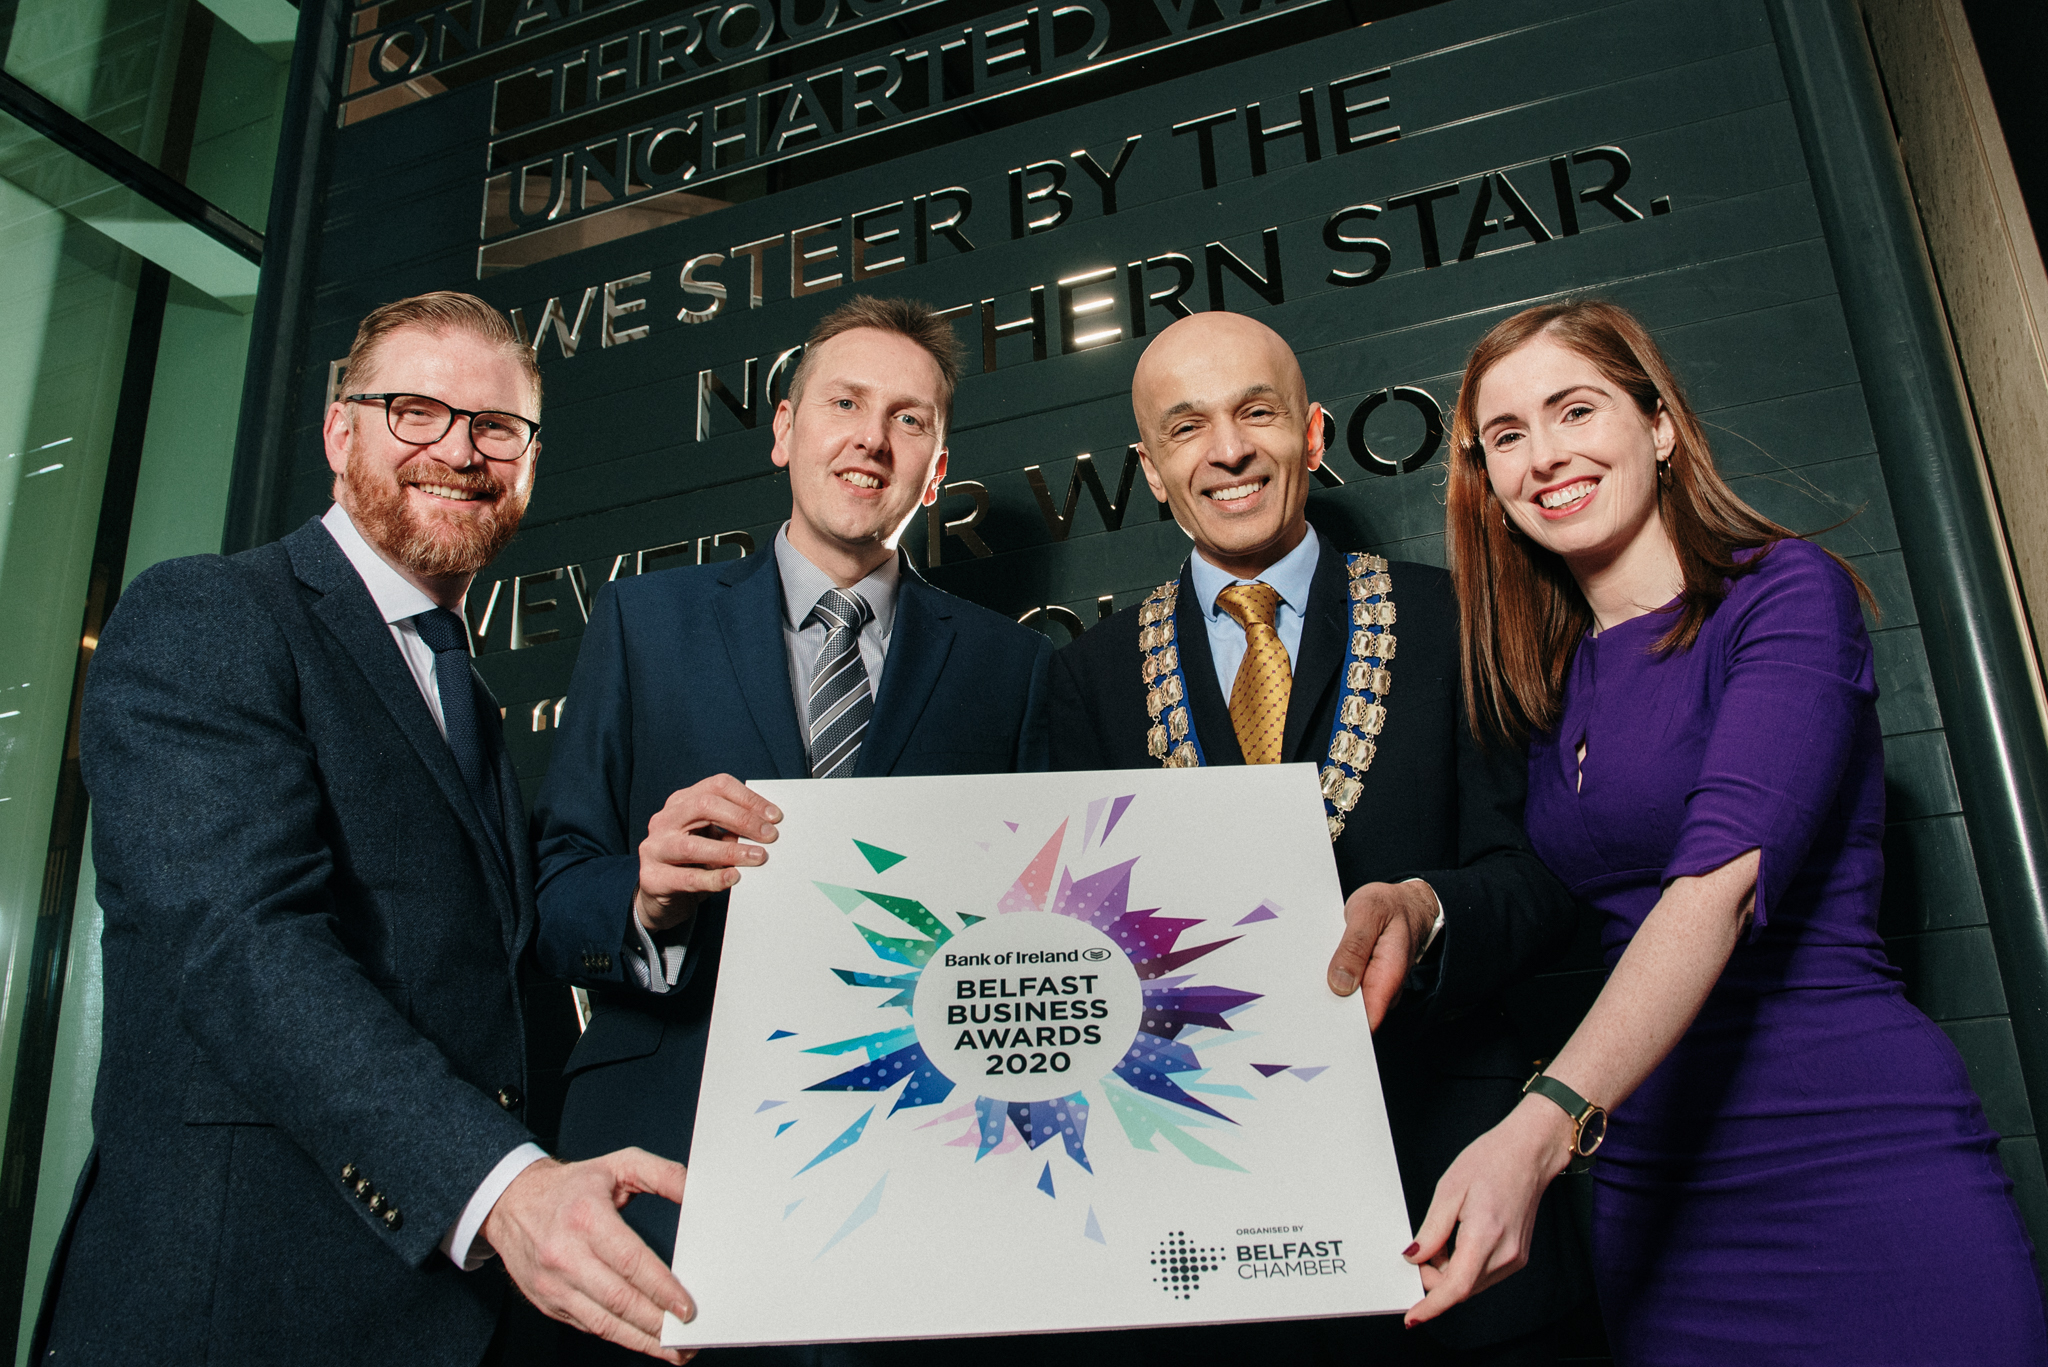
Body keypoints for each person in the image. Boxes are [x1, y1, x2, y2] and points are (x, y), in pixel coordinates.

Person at [41, 292, 700, 1367]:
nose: (459, 449)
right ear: (339, 432)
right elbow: (244, 945)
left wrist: (638, 899)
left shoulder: (462, 690)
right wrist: (501, 1187)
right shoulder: (210, 615)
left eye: (497, 426)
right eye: (413, 410)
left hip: (450, 1317)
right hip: (245, 1308)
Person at [1405, 299, 2048, 1363]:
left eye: (1574, 408)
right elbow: (1537, 892)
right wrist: (1414, 905)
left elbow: (1711, 883)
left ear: (1657, 425)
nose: (1544, 455)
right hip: (1654, 1179)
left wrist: (1538, 1125)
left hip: (1854, 1150)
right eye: (1506, 435)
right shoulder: (1546, 678)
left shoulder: (1781, 594)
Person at [1043, 310, 1585, 1367]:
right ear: (1151, 468)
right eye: (1185, 426)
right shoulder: (1087, 679)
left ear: (1313, 431)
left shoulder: (1460, 617)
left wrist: (1426, 911)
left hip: (1448, 1192)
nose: (1228, 449)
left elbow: (1541, 879)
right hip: (1199, 1231)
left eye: (1256, 412)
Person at [533, 294, 1052, 1364]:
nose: (871, 435)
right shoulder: (642, 623)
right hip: (664, 1152)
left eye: (908, 419)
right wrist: (643, 896)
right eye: (845, 402)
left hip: (925, 1175)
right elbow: (553, 891)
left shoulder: (1014, 668)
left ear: (937, 466)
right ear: (783, 429)